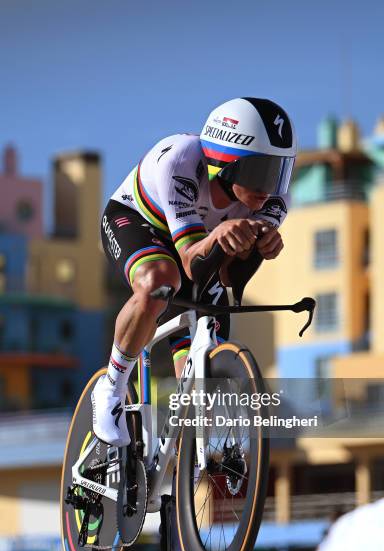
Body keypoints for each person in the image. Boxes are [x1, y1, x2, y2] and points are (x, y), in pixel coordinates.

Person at [93, 97, 297, 447]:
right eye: (261, 172)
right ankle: (111, 387)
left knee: (200, 363)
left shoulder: (274, 202)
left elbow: (228, 277)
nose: (269, 189)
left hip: (198, 246)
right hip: (139, 223)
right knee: (160, 281)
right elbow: (189, 260)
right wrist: (219, 234)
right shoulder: (182, 160)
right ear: (225, 163)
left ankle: (178, 463)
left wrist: (259, 248)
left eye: (279, 172)